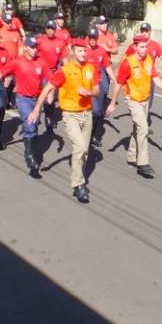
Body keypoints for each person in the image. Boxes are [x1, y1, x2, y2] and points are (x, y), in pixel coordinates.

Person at [28, 38, 100, 203]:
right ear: (73, 51)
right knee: (80, 147)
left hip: (87, 113)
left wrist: (89, 93)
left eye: (85, 51)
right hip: (70, 114)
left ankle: (78, 177)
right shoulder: (65, 71)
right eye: (80, 50)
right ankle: (78, 185)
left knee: (84, 151)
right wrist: (36, 109)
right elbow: (48, 88)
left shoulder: (91, 68)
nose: (83, 53)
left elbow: (97, 90)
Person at [0, 36, 52, 177]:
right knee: (29, 122)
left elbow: (51, 80)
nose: (35, 50)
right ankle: (30, 158)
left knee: (33, 127)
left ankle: (31, 150)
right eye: (32, 47)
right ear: (26, 47)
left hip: (36, 100)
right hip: (22, 99)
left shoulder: (41, 63)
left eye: (36, 47)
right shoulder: (17, 63)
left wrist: (51, 93)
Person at [106, 34, 162, 179]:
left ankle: (131, 156)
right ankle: (143, 163)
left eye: (146, 46)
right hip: (133, 100)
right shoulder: (128, 63)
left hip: (145, 100)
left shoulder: (149, 60)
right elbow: (118, 85)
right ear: (135, 47)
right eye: (141, 47)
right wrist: (112, 103)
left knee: (138, 129)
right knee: (143, 127)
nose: (145, 49)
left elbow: (155, 78)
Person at [124, 22, 162, 129]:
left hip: (150, 77)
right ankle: (141, 126)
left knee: (148, 103)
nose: (144, 33)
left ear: (150, 32)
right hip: (136, 78)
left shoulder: (155, 45)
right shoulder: (135, 45)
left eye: (147, 31)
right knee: (137, 101)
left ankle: (141, 125)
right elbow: (125, 58)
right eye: (143, 31)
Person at [85, 27, 115, 147]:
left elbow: (107, 66)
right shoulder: (83, 50)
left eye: (94, 38)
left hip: (97, 84)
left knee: (98, 112)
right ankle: (87, 136)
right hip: (86, 85)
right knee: (93, 111)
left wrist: (114, 79)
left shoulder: (101, 51)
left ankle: (92, 136)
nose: (92, 40)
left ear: (97, 39)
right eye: (90, 38)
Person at [37, 20, 67, 133]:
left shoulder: (60, 43)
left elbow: (65, 59)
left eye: (52, 28)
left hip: (54, 72)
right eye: (48, 28)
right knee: (44, 95)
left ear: (55, 30)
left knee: (52, 97)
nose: (50, 30)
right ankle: (42, 114)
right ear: (45, 29)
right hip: (42, 72)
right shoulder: (40, 41)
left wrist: (68, 71)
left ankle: (49, 116)